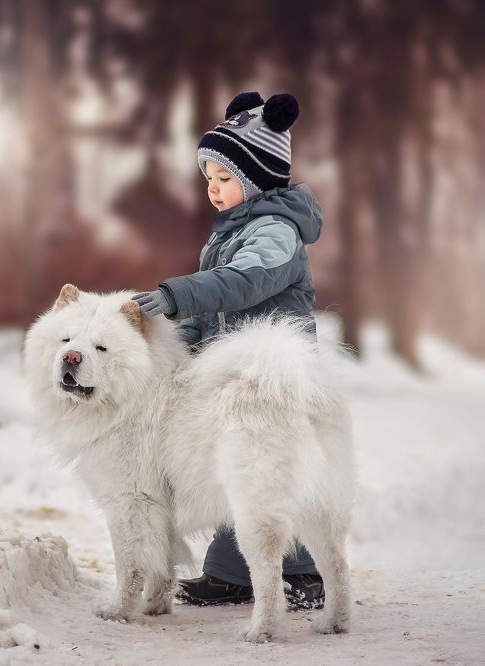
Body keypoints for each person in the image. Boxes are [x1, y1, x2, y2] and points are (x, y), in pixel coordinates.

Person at [131, 91, 325, 609]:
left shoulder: (276, 233)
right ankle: (231, 572)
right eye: (209, 180)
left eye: (225, 180)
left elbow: (242, 283)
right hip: (234, 372)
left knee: (274, 467)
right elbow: (207, 316)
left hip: (274, 373)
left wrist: (177, 294)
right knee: (236, 465)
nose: (213, 191)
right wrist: (174, 354)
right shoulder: (227, 236)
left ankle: (305, 571)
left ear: (258, 178)